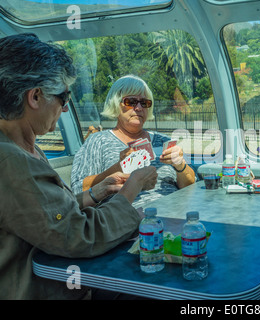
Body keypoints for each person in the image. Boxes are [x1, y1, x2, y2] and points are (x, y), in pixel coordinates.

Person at [0, 33, 158, 299]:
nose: (65, 108)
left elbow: (46, 215)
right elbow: (78, 235)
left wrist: (94, 194)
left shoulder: (25, 147)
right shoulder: (11, 161)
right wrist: (133, 187)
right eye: (63, 96)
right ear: (35, 97)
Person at [71, 74, 196, 208]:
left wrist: (180, 165)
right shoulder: (98, 141)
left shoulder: (163, 141)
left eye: (144, 103)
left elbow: (190, 187)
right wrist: (118, 168)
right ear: (115, 104)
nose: (139, 108)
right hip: (127, 220)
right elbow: (78, 190)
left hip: (174, 214)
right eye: (130, 102)